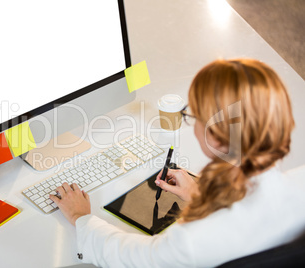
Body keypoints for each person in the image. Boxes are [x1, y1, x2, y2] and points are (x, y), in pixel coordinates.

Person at [49, 58, 305, 267]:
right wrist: (201, 196)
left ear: (215, 136)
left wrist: (81, 218)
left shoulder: (192, 242)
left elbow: (129, 257)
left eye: (192, 115)